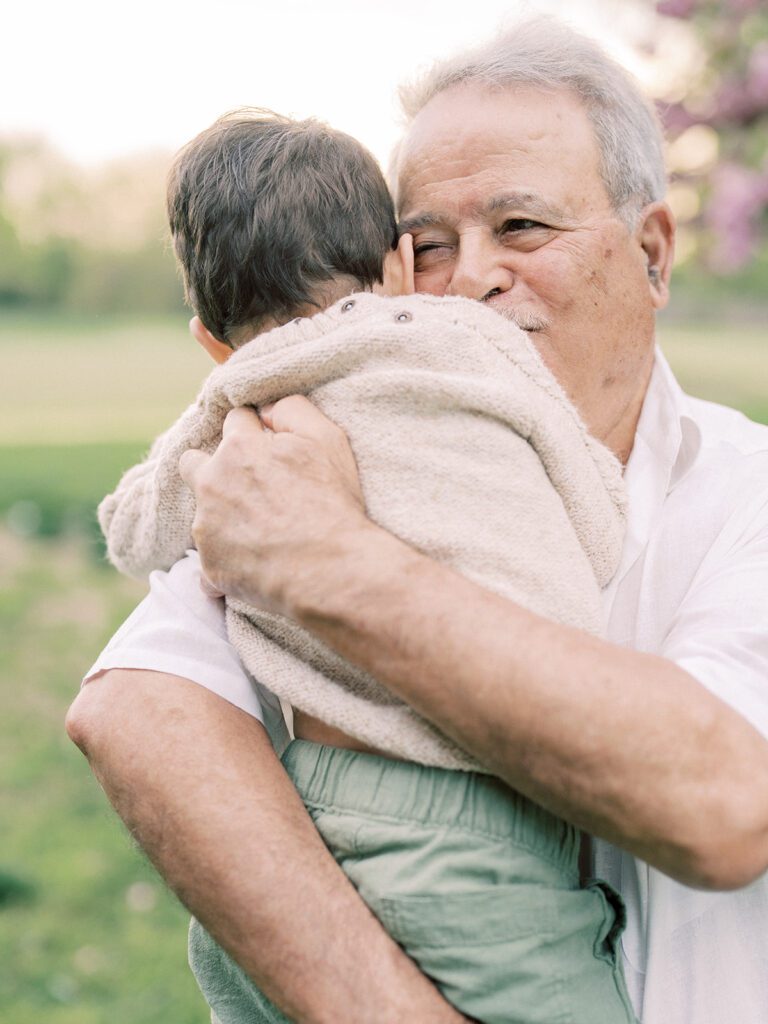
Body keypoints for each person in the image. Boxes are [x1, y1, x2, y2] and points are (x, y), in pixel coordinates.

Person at [66, 18, 768, 1024]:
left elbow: (724, 804)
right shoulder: (319, 434)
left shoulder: (751, 491)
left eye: (522, 228)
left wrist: (337, 564)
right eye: (428, 243)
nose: (472, 278)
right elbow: (136, 709)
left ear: (653, 255)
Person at [95, 107, 633, 1024]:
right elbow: (598, 505)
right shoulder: (481, 346)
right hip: (475, 821)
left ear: (208, 335)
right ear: (394, 267)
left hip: (314, 805)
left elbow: (134, 531)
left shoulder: (243, 403)